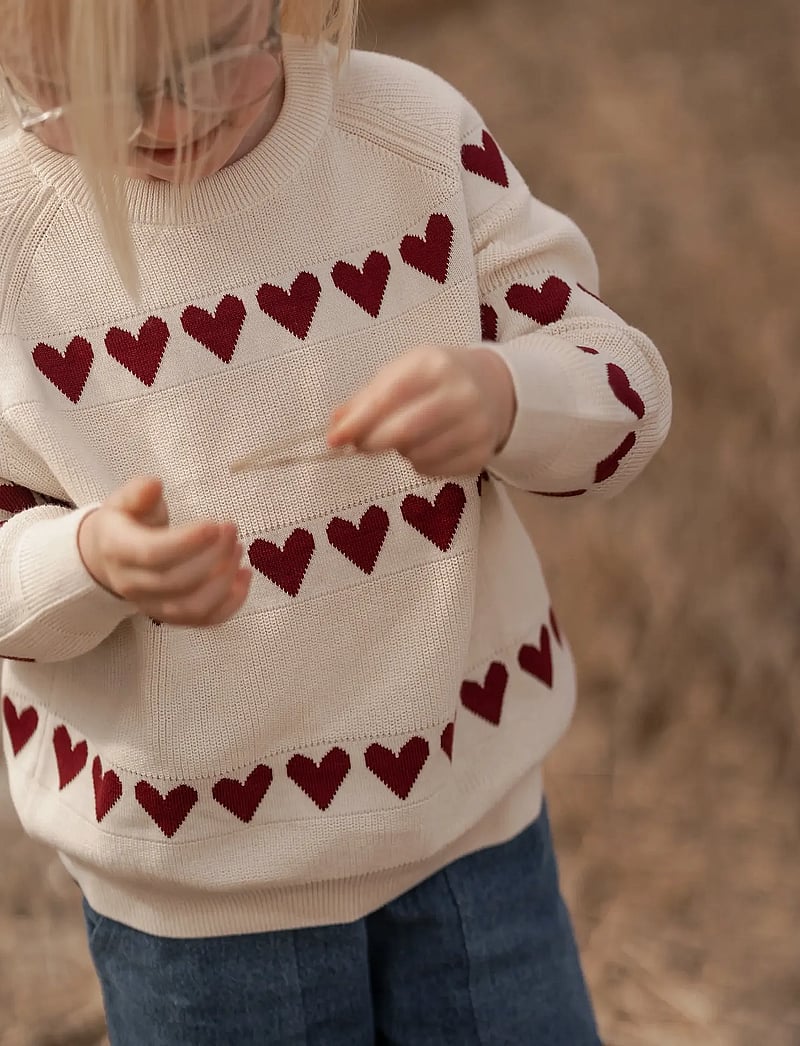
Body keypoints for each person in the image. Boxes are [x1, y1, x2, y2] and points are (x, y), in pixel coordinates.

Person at [0, 1, 671, 1042]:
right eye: (86, 97)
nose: (167, 125)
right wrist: (87, 560)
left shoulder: (407, 138)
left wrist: (506, 393)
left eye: (211, 61)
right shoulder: (14, 249)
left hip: (469, 844)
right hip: (197, 903)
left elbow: (623, 387)